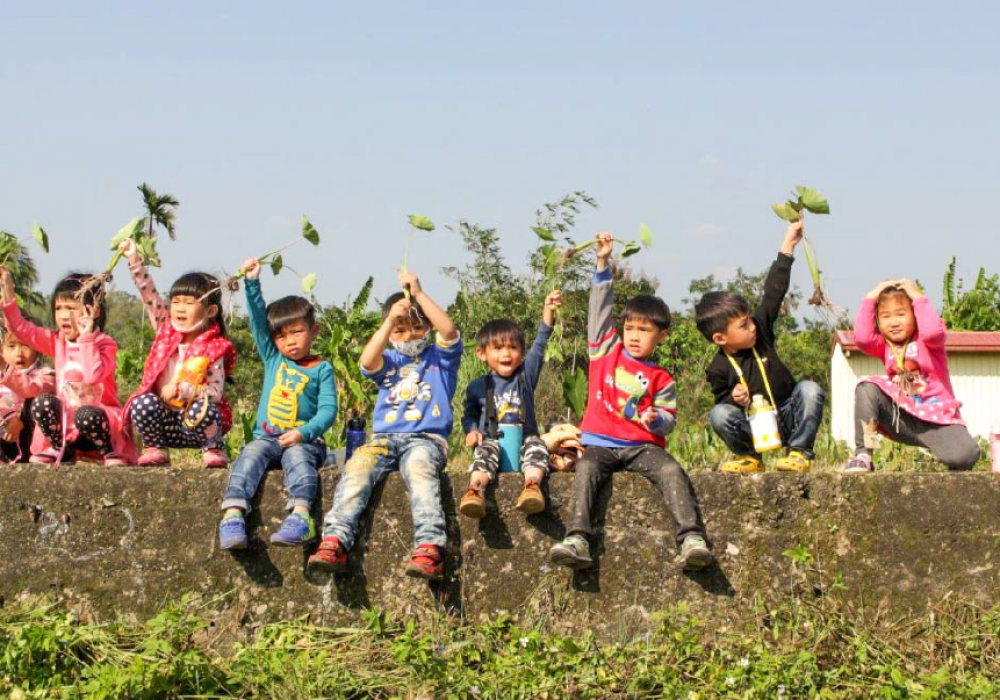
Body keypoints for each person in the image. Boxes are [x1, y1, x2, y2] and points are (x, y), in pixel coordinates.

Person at [548, 232, 712, 571]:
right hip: (601, 443)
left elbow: (669, 419)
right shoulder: (605, 350)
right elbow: (599, 313)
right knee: (588, 469)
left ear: (662, 336)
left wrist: (656, 420)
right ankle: (577, 537)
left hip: (641, 447)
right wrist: (603, 264)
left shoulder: (662, 378)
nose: (635, 336)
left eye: (645, 330)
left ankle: (692, 538)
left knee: (670, 469)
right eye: (630, 328)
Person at [308, 271, 461, 581]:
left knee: (419, 470)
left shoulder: (440, 360)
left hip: (425, 439)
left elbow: (449, 329)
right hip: (384, 438)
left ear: (427, 329)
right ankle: (335, 540)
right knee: (358, 467)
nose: (410, 336)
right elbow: (366, 361)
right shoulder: (389, 360)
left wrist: (418, 294)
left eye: (418, 328)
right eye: (402, 331)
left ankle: (430, 546)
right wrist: (391, 320)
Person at [218, 257, 337, 549]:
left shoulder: (321, 368)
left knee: (298, 460)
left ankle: (301, 517)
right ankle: (233, 515)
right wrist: (252, 282)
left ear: (314, 331)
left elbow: (328, 411)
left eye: (297, 332)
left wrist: (303, 433)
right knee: (248, 457)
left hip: (303, 441)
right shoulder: (274, 358)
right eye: (281, 336)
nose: (290, 342)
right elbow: (258, 320)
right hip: (266, 437)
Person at [695, 219, 826, 473]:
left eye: (750, 321)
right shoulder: (718, 368)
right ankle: (750, 458)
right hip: (754, 425)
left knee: (810, 390)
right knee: (719, 414)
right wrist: (734, 399)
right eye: (743, 326)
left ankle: (800, 453)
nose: (752, 327)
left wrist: (788, 244)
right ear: (721, 338)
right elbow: (724, 404)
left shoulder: (761, 330)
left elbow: (773, 292)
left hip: (786, 416)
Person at [843, 279, 980, 473]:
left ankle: (946, 449)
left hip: (937, 419)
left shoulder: (927, 340)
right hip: (903, 416)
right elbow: (863, 338)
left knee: (965, 457)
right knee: (867, 388)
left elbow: (933, 332)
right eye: (885, 316)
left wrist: (917, 296)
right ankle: (864, 454)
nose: (894, 322)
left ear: (915, 316)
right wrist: (871, 297)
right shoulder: (884, 345)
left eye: (901, 314)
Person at [119, 240, 236, 467]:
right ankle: (155, 448)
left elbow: (214, 393)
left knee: (208, 412)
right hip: (165, 423)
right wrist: (134, 261)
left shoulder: (215, 347)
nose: (180, 308)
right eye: (176, 302)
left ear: (210, 310)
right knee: (141, 403)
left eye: (189, 303)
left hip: (193, 425)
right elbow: (149, 296)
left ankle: (212, 449)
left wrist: (184, 391)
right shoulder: (166, 329)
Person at [0, 268, 134, 464]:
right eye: (58, 309)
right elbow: (21, 329)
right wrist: (7, 291)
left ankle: (108, 452)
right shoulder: (57, 341)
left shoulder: (105, 344)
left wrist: (86, 339)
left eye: (71, 308)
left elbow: (92, 376)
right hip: (66, 427)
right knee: (43, 402)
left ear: (94, 310)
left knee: (85, 413)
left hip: (96, 426)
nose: (63, 316)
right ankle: (60, 449)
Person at [459, 290, 562, 519]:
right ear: (482, 353)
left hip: (523, 442)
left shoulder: (525, 377)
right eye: (498, 348)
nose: (506, 354)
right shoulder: (477, 386)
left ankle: (532, 487)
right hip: (493, 442)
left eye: (513, 348)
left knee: (537, 446)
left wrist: (549, 310)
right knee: (484, 451)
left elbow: (541, 342)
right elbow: (469, 415)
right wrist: (472, 431)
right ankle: (475, 490)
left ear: (522, 353)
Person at [0, 323, 55, 462]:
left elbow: (30, 390)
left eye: (26, 345)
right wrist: (10, 416)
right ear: (2, 351)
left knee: (37, 401)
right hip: (8, 441)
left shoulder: (47, 375)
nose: (19, 353)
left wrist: (6, 368)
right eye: (11, 346)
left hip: (33, 445)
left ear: (38, 348)